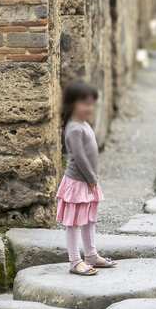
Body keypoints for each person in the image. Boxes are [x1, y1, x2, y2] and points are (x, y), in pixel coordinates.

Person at [56, 82, 116, 276]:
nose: (90, 108)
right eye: (85, 104)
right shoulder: (74, 129)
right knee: (73, 223)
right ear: (72, 104)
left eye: (92, 104)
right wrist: (91, 178)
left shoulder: (83, 124)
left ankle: (91, 255)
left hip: (88, 181)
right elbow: (79, 157)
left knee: (89, 220)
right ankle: (74, 261)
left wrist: (92, 179)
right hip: (77, 182)